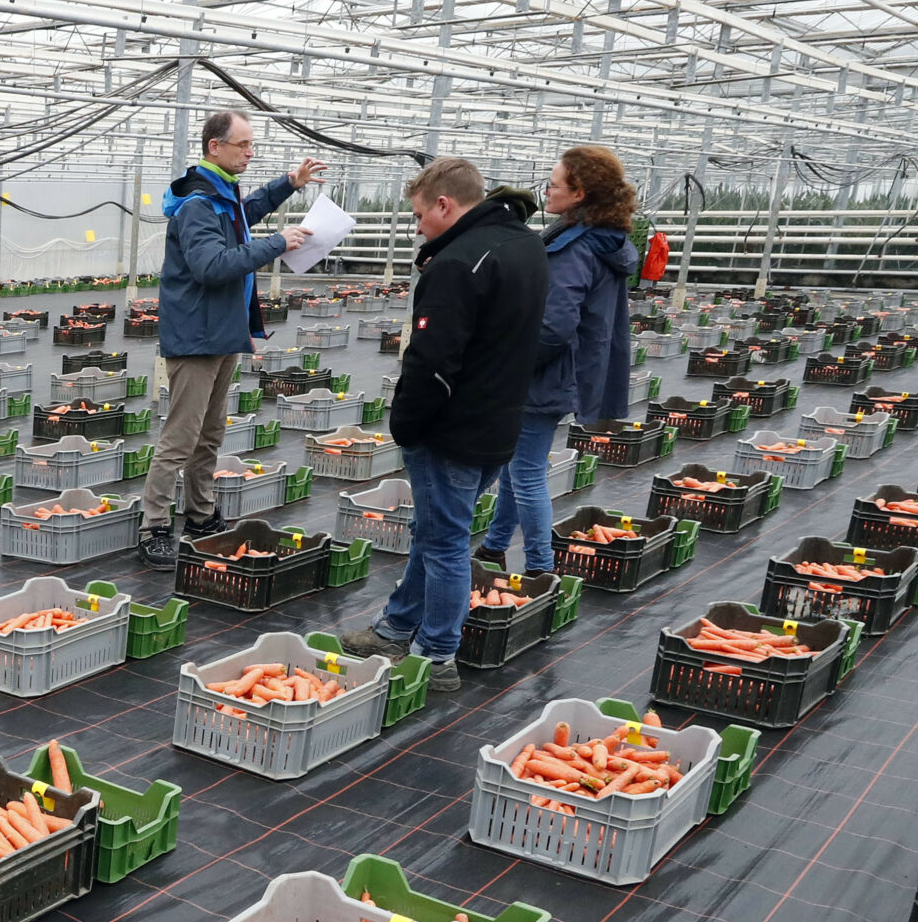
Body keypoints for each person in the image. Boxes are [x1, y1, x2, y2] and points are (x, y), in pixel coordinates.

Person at [340, 158, 548, 693]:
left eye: (417, 216)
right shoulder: (525, 245)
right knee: (434, 533)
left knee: (446, 543)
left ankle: (437, 655)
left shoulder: (458, 263)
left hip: (455, 428)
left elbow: (433, 360)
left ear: (444, 205)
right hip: (500, 420)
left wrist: (408, 423)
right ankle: (396, 627)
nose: (417, 227)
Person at [140, 110, 323, 568]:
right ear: (214, 147)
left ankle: (200, 515)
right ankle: (154, 525)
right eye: (242, 144)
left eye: (251, 144)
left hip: (221, 333)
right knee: (181, 437)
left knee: (209, 435)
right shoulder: (199, 203)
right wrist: (277, 243)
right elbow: (212, 265)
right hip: (196, 336)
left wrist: (290, 182)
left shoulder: (222, 195)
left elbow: (247, 212)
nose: (250, 151)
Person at [480, 146, 638, 576]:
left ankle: (539, 570)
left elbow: (553, 326)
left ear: (580, 193)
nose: (545, 191)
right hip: (564, 369)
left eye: (553, 184)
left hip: (545, 373)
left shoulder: (575, 249)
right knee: (519, 467)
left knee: (527, 472)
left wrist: (507, 365)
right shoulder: (603, 240)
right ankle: (494, 547)